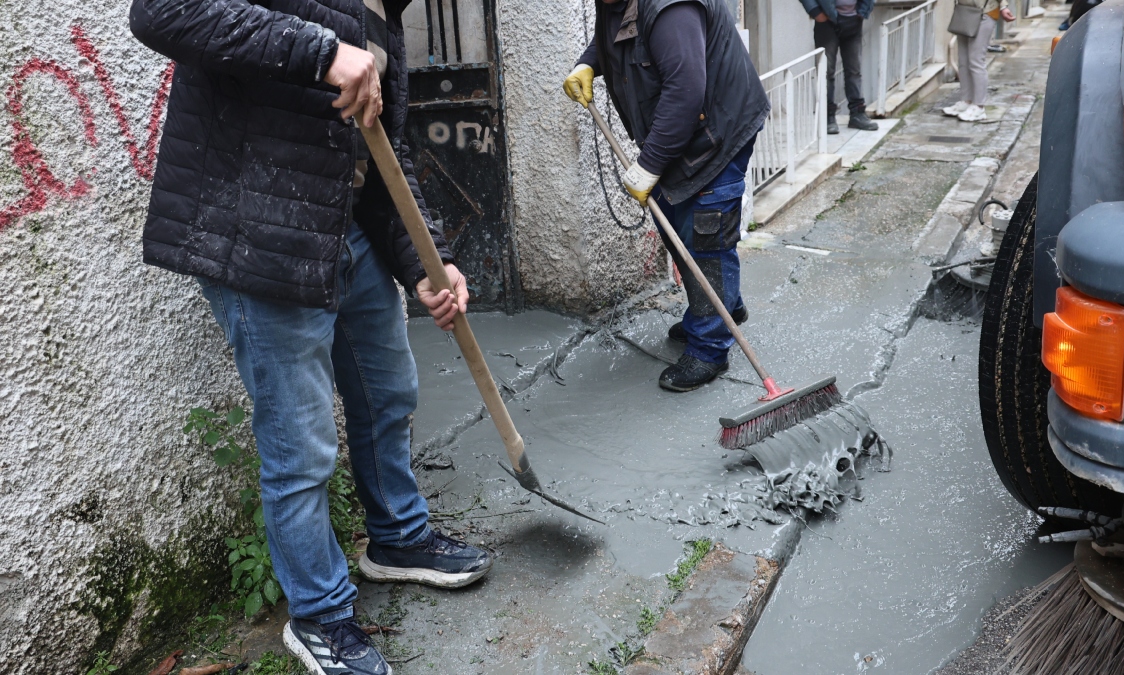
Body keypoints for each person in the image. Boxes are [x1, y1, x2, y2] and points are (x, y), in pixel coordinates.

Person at [129, 0, 492, 672]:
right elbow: (160, 11)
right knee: (300, 444)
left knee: (389, 391)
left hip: (343, 231)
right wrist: (320, 51)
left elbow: (386, 147)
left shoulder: (385, 16)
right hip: (259, 239)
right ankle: (320, 613)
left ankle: (397, 537)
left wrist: (424, 261)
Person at [563, 0, 770, 392]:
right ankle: (723, 307)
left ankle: (710, 346)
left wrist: (650, 163)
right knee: (675, 217)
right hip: (685, 132)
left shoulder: (672, 10)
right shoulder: (616, 2)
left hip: (719, 130)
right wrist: (589, 61)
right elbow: (616, 36)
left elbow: (686, 92)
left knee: (705, 229)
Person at [800, 0, 880, 134]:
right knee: (826, 71)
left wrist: (863, 11)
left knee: (854, 70)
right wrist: (816, 12)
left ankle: (857, 114)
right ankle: (827, 117)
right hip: (827, 21)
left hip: (854, 20)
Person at [944, 0, 1016, 122]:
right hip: (964, 10)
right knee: (963, 61)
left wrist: (1003, 6)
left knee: (976, 61)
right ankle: (966, 101)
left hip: (985, 12)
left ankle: (979, 107)